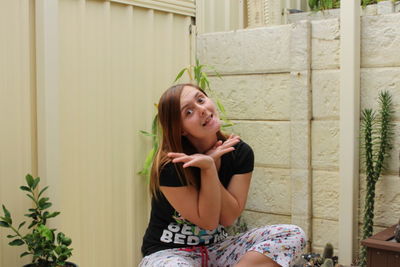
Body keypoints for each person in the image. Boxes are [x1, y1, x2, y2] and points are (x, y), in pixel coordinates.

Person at [139, 83, 306, 267]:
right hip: (170, 253)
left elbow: (227, 217)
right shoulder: (171, 165)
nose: (202, 110)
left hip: (219, 249)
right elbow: (209, 222)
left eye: (201, 100)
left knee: (291, 234)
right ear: (180, 129)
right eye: (189, 112)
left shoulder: (239, 152)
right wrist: (208, 168)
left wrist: (210, 167)